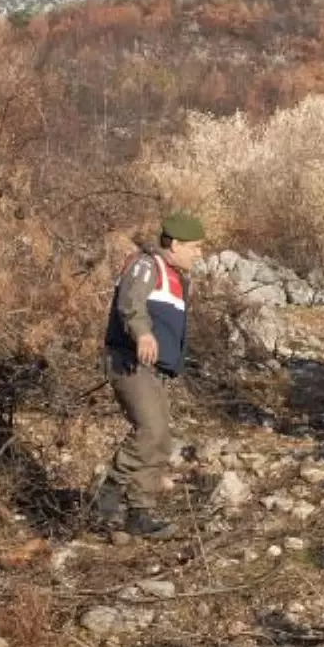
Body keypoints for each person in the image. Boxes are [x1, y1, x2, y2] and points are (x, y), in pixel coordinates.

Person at [93, 212, 205, 538]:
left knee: (160, 438)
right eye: (195, 247)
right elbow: (131, 304)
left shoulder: (176, 277)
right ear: (175, 245)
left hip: (150, 369)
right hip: (128, 362)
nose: (199, 254)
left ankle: (139, 512)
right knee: (151, 428)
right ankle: (108, 494)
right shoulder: (146, 266)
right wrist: (142, 334)